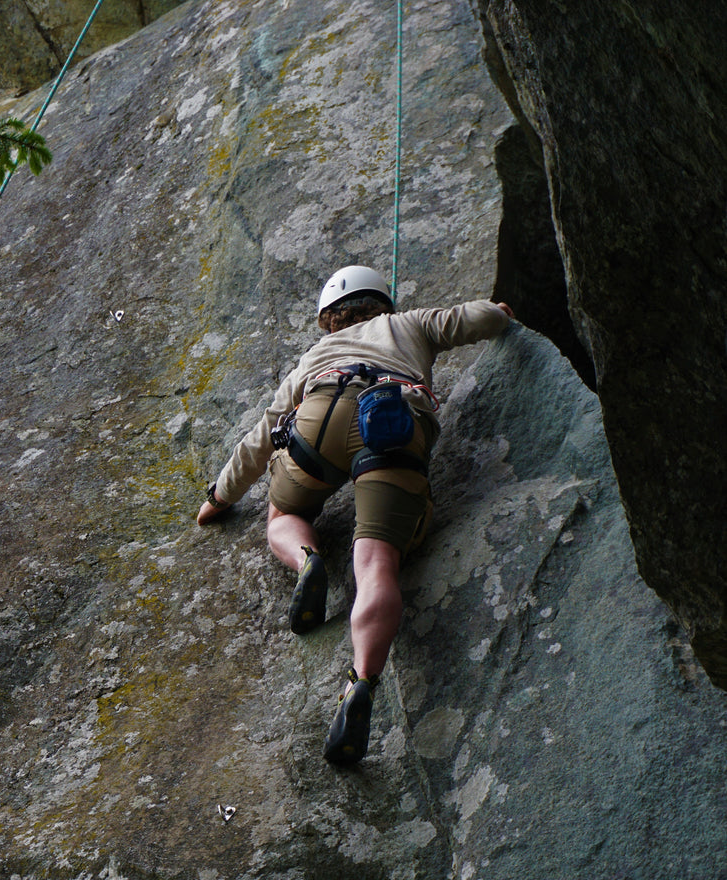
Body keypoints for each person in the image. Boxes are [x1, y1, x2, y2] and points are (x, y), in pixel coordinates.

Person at [196, 266, 513, 765]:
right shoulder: (409, 323)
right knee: (377, 562)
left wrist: (219, 496)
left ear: (329, 319)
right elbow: (478, 319)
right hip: (392, 419)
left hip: (321, 415)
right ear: (381, 302)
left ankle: (306, 559)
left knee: (282, 512)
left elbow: (262, 435)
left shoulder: (314, 355)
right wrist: (498, 313)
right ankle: (361, 679)